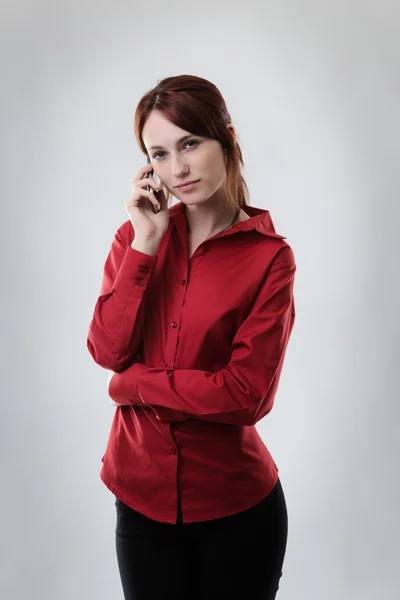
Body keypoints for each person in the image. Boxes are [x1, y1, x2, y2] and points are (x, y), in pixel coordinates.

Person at [87, 74, 296, 600]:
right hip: (139, 501)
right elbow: (107, 351)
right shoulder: (135, 240)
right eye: (158, 153)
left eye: (189, 143)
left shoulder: (270, 258)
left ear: (225, 140)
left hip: (237, 510)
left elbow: (245, 395)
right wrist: (147, 244)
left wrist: (135, 386)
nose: (176, 168)